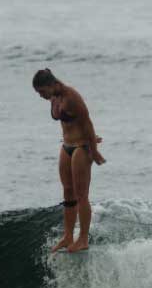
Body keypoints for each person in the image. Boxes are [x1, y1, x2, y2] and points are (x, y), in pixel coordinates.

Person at [32, 68, 106, 253]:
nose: (41, 96)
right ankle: (67, 236)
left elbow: (87, 123)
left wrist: (94, 150)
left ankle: (83, 239)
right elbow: (70, 123)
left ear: (52, 84)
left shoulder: (72, 97)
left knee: (81, 195)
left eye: (42, 92)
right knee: (68, 193)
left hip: (82, 147)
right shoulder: (54, 97)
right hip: (67, 146)